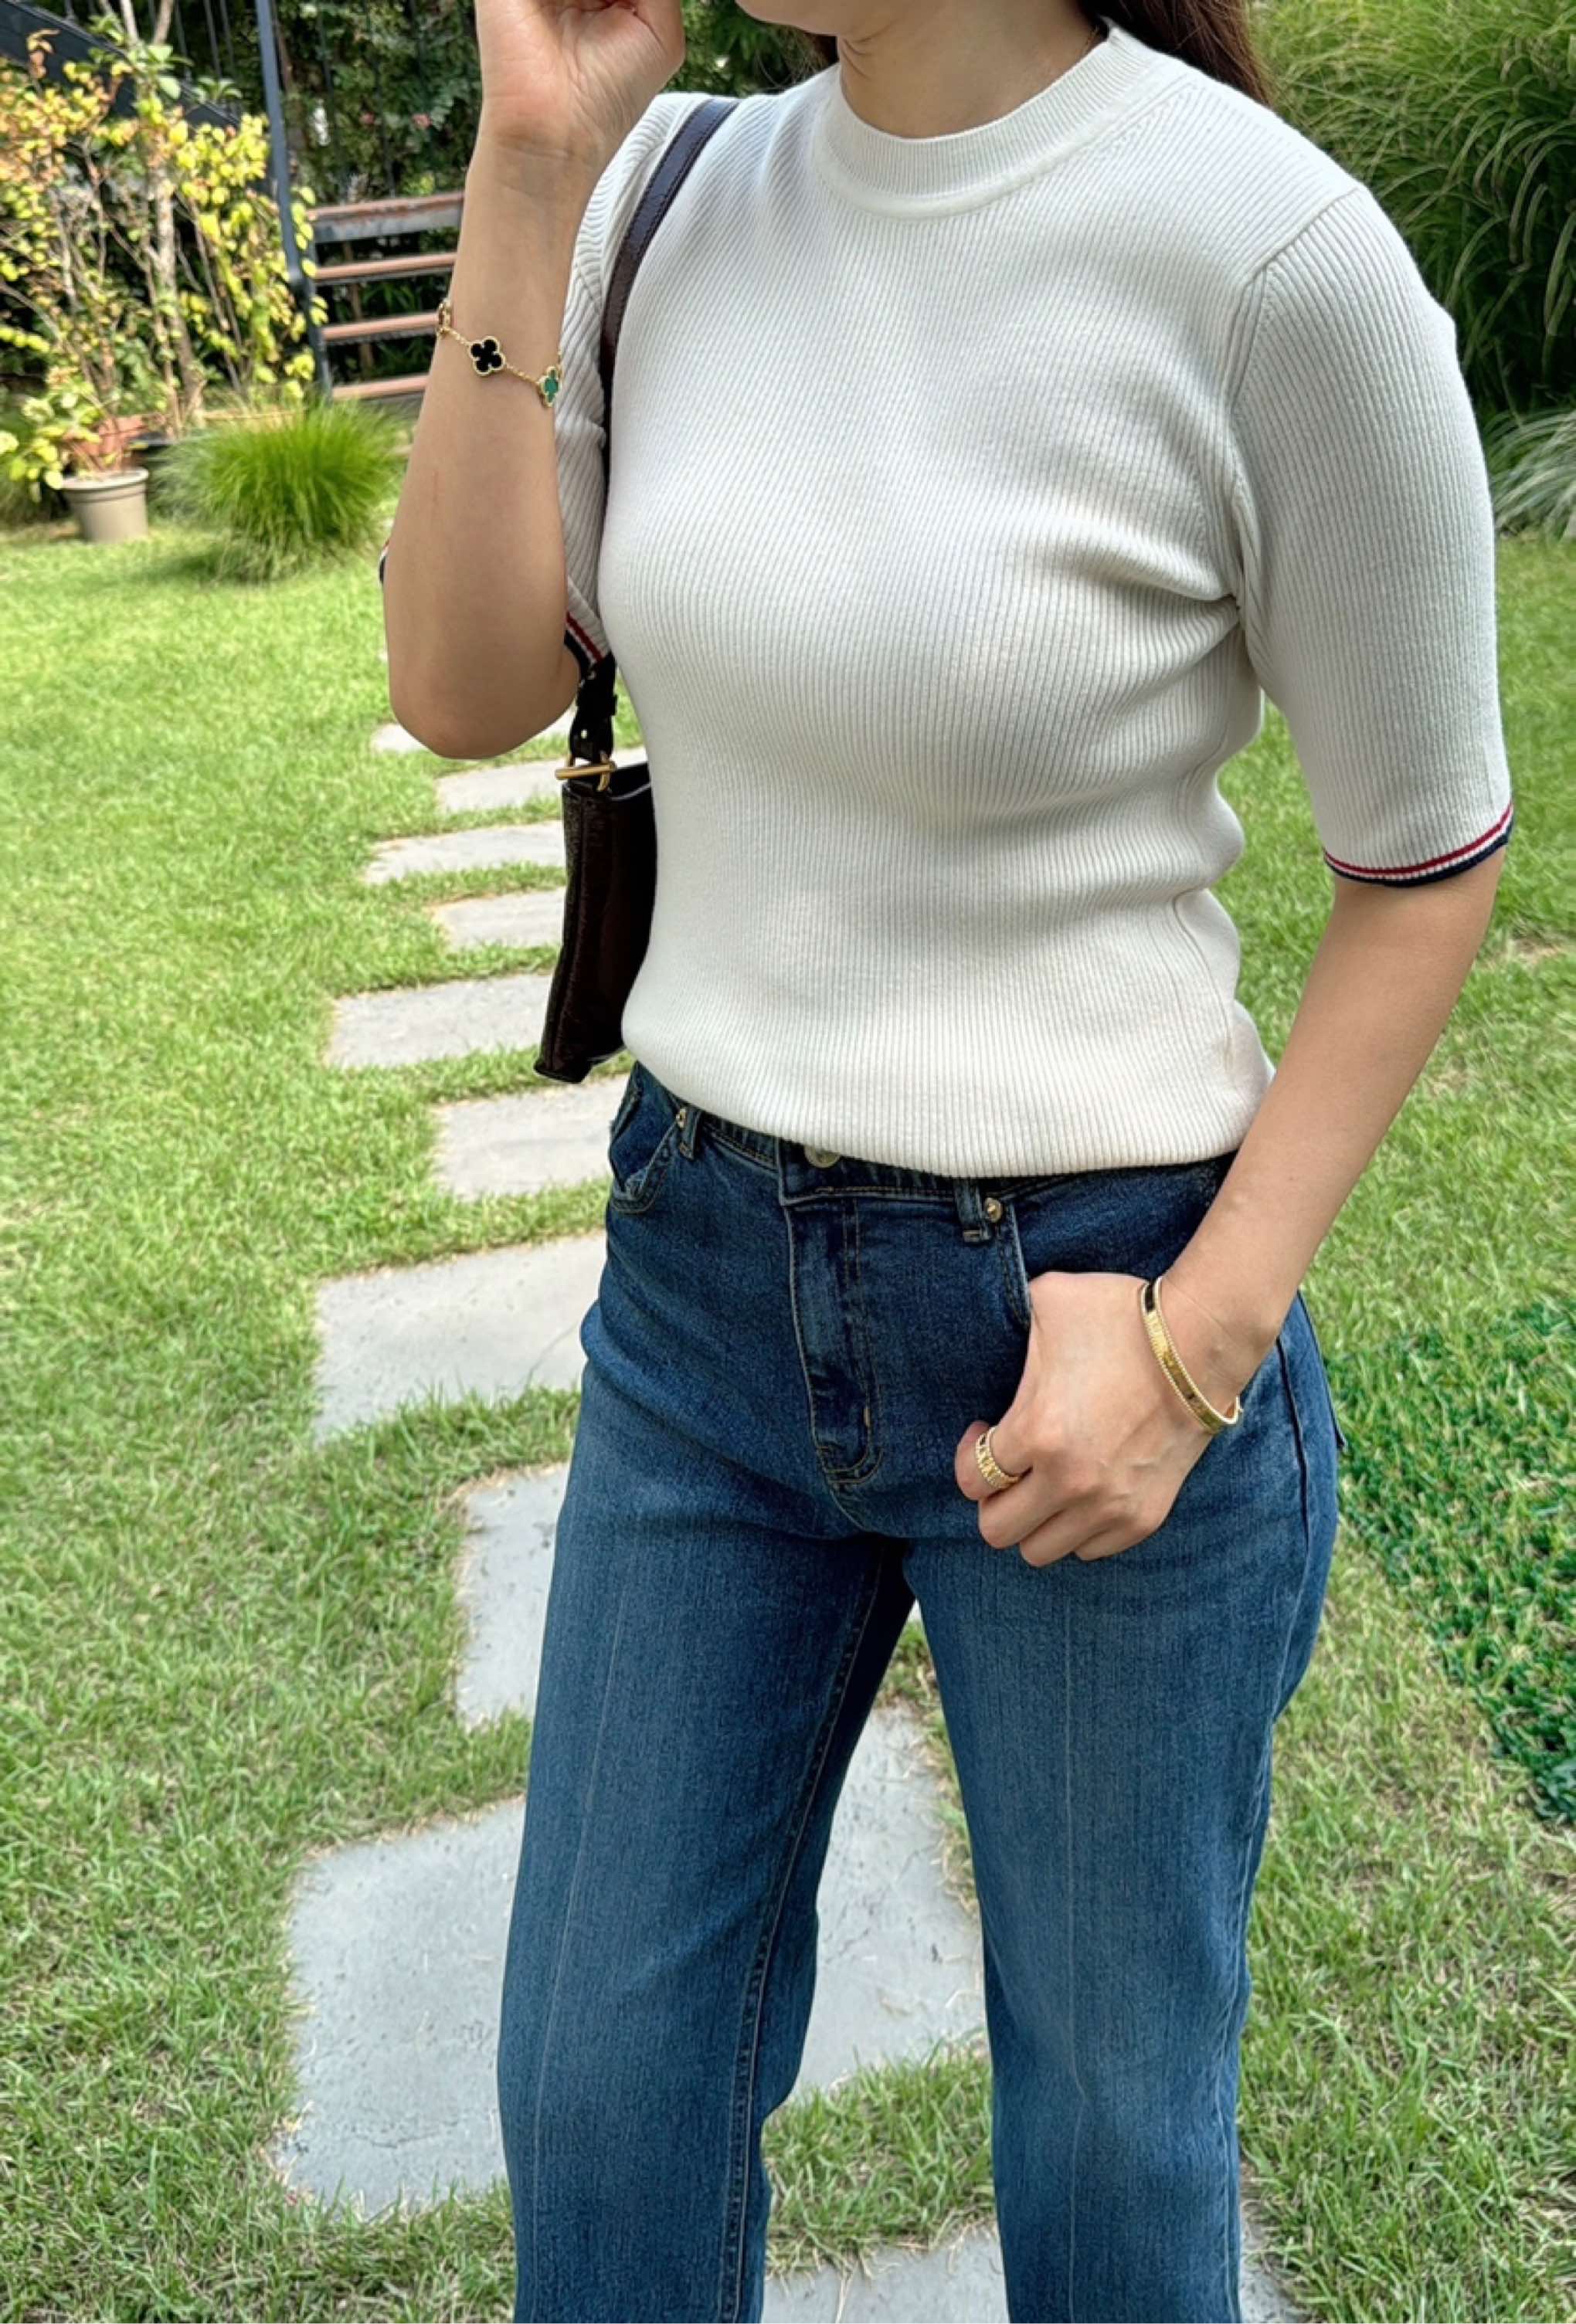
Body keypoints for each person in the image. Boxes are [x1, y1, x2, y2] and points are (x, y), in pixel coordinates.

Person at [379, 2, 1515, 2317]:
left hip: (1094, 1306)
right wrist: (529, 163)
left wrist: (1198, 1348)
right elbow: (464, 686)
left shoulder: (1271, 256)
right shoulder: (668, 196)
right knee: (599, 2103)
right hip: (701, 1295)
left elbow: (1425, 865)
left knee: (1111, 2157)